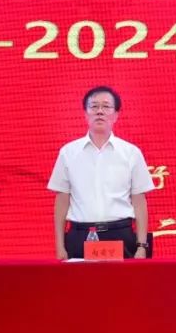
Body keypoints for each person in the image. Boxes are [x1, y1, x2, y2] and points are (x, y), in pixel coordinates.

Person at [48, 86, 154, 260]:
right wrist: (60, 246)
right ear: (85, 113)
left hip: (120, 235)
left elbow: (139, 202)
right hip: (80, 236)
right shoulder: (68, 152)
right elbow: (62, 201)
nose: (99, 111)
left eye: (106, 106)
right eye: (94, 106)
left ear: (116, 115)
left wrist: (142, 246)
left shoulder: (131, 153)